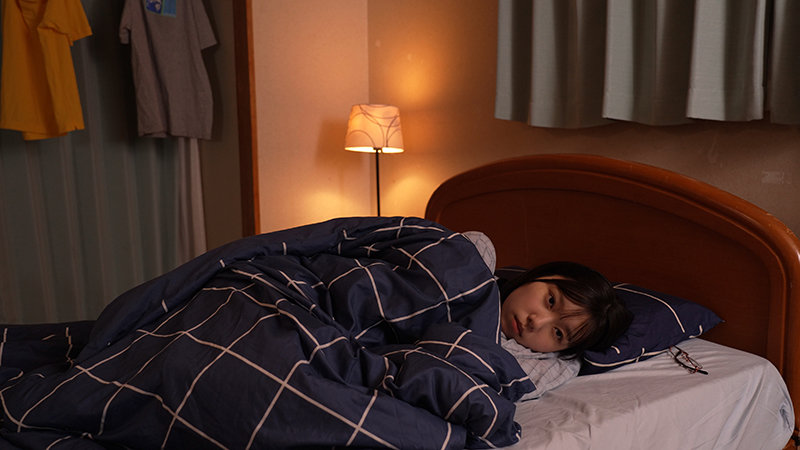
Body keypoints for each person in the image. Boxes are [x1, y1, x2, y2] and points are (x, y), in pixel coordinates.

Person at [495, 261, 634, 400]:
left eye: (558, 333)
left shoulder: (544, 366)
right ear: (544, 275)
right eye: (551, 301)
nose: (536, 322)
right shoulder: (483, 270)